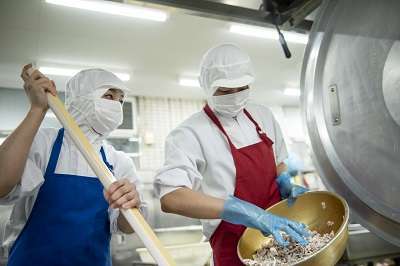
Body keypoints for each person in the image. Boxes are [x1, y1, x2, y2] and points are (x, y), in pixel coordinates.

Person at [154, 44, 309, 265]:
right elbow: (171, 197)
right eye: (225, 91)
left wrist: (285, 181)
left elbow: (278, 163)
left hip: (280, 233)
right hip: (232, 244)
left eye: (242, 87)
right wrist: (243, 211)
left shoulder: (263, 116)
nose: (235, 97)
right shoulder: (189, 133)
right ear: (206, 86)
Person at [0, 64, 147, 266]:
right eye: (109, 96)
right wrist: (37, 109)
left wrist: (129, 207)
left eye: (121, 100)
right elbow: (2, 185)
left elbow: (127, 227)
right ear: (82, 97)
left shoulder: (118, 161)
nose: (117, 106)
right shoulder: (43, 143)